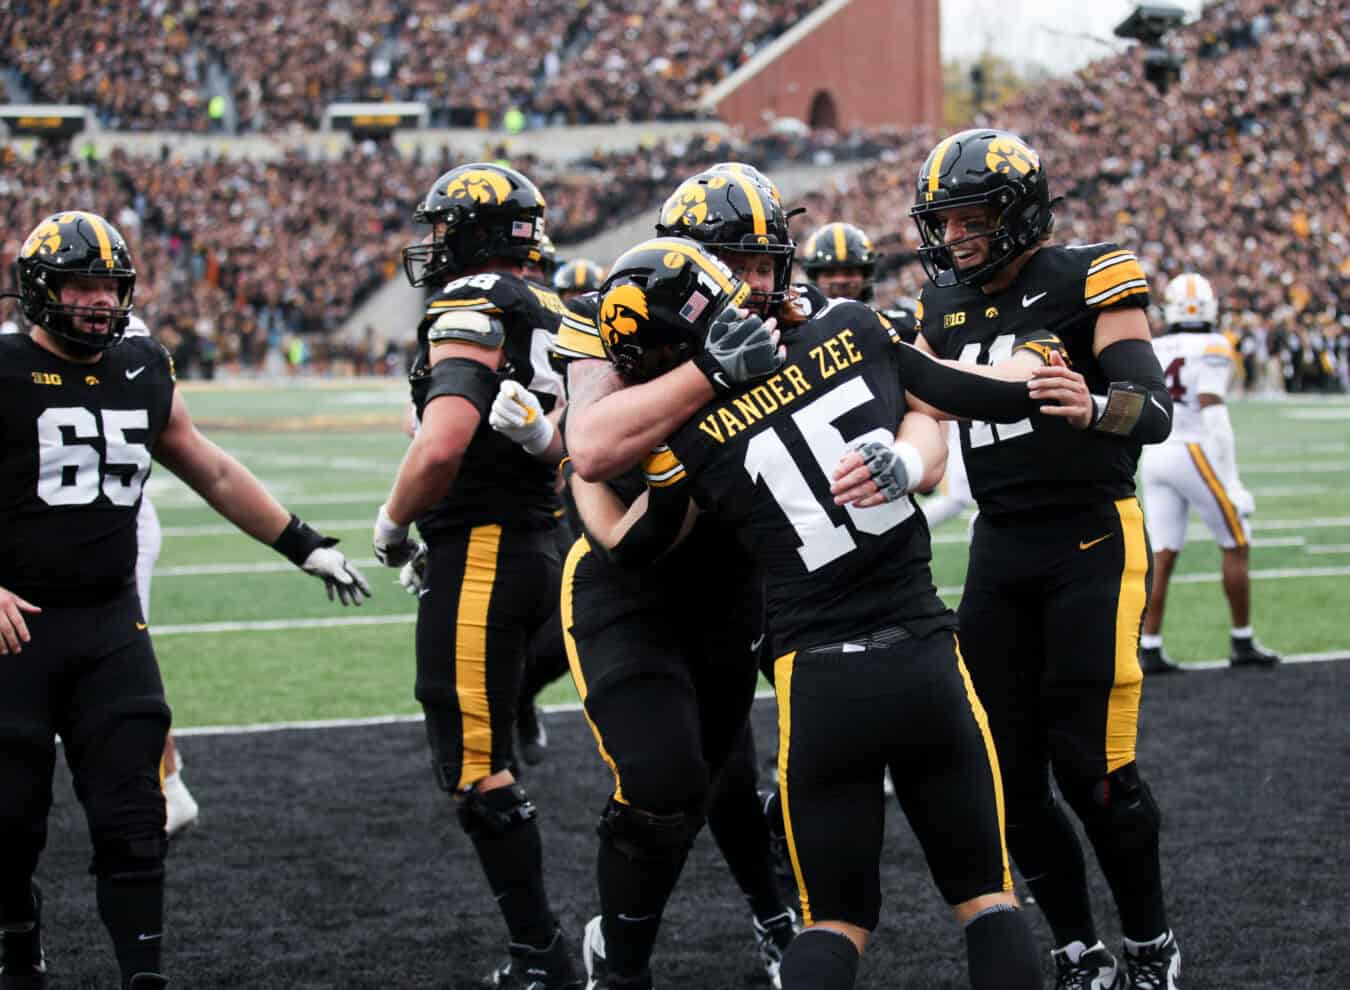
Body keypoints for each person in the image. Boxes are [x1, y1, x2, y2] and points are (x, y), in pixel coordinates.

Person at [564, 237, 1060, 990]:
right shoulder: (853, 327)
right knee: (989, 900)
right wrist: (1037, 359)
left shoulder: (687, 437)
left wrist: (560, 460)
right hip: (924, 655)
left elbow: (626, 541)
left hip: (817, 681)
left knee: (834, 921)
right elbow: (977, 394)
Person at [0, 211, 369, 990]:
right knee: (8, 825)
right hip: (16, 629)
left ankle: (144, 976)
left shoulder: (140, 364)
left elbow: (213, 470)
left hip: (108, 624)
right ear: (40, 291)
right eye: (80, 285)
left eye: (108, 286)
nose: (98, 302)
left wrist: (302, 543)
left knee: (136, 822)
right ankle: (18, 936)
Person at [908, 128, 1182, 989]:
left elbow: (1153, 409)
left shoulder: (1090, 273)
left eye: (970, 218)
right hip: (1001, 543)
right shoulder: (940, 307)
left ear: (1019, 211)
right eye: (942, 221)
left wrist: (1094, 403)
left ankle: (1150, 946)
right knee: (1007, 774)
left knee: (1094, 768)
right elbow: (926, 404)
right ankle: (1078, 948)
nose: (952, 237)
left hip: (1090, 535)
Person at [542, 166, 808, 990]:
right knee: (663, 782)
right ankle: (621, 968)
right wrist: (710, 371)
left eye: (767, 265)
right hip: (631, 583)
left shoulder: (798, 328)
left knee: (734, 777)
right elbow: (587, 444)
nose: (758, 285)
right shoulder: (613, 325)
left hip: (735, 586)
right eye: (740, 264)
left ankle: (774, 921)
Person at [371, 164, 580, 989]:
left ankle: (541, 955)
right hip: (541, 541)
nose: (433, 246)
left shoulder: (472, 303)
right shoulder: (558, 307)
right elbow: (580, 438)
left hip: (486, 550)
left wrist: (392, 526)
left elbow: (443, 442)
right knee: (485, 751)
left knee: (471, 766)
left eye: (443, 228)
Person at [1139, 272, 1281, 673]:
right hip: (1193, 448)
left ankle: (1149, 645)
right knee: (1236, 541)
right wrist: (1232, 481)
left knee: (1162, 553)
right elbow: (1213, 410)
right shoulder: (1215, 344)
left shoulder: (1157, 343)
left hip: (1156, 452)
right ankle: (1242, 640)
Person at [122, 314, 201, 837]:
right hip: (49, 527)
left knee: (121, 663)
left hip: (113, 520)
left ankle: (168, 787)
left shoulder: (124, 334)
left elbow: (185, 440)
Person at [798, 221, 878, 302]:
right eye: (830, 273)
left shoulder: (880, 315)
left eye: (849, 273)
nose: (840, 280)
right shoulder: (795, 314)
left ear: (865, 277)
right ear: (814, 279)